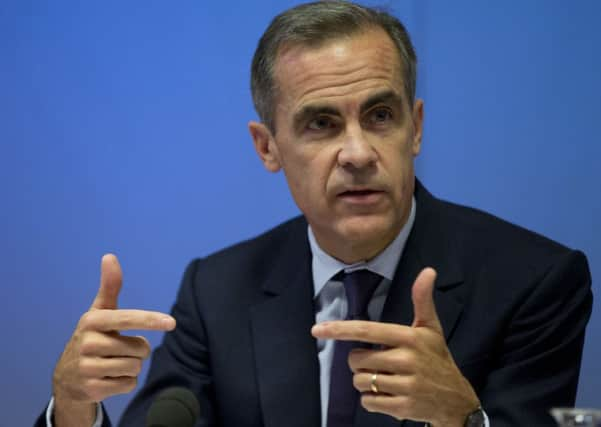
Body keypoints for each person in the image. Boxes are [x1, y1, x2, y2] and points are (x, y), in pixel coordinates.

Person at [36, 1, 592, 426]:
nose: (357, 153)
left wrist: (465, 420)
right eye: (321, 124)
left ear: (415, 127)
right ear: (267, 147)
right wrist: (74, 408)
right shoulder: (218, 289)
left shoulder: (533, 281)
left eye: (379, 115)